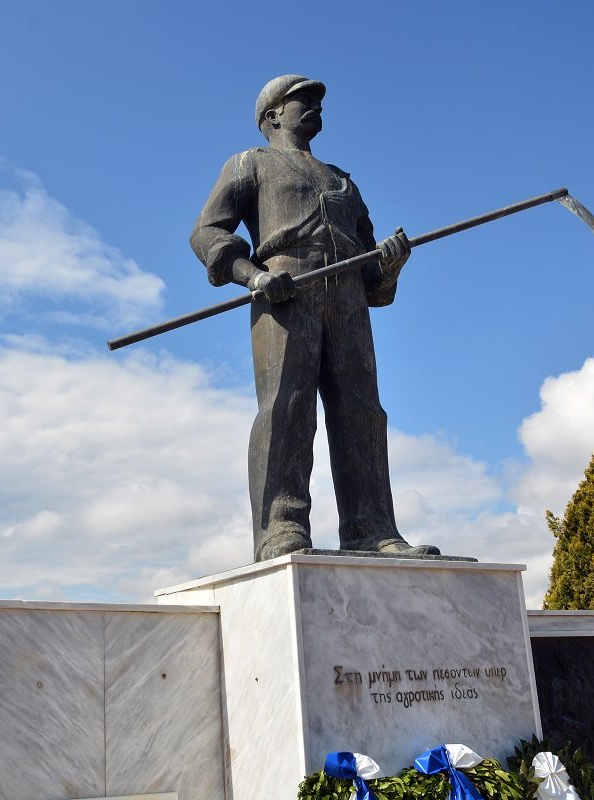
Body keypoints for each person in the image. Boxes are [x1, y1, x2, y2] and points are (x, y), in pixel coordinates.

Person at [191, 74, 439, 562]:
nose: (313, 106)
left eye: (317, 100)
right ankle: (281, 529)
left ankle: (372, 528)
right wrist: (252, 277)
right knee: (288, 406)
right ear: (272, 115)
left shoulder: (345, 181)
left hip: (347, 295)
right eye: (300, 99)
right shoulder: (250, 164)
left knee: (362, 411)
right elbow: (207, 232)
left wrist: (389, 266)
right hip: (286, 289)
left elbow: (374, 283)